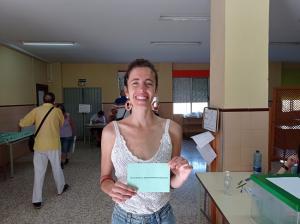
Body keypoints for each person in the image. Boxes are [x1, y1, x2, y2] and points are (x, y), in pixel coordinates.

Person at [100, 59, 193, 223]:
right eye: (135, 83)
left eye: (148, 83)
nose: (142, 89)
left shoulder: (173, 130)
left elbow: (169, 182)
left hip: (163, 217)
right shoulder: (111, 132)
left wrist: (181, 177)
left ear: (155, 89)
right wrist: (111, 188)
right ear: (126, 90)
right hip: (124, 218)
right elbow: (105, 178)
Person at [19, 92, 69, 209]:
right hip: (53, 145)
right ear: (54, 101)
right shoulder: (57, 111)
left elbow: (22, 123)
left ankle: (36, 200)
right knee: (56, 167)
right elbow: (61, 124)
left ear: (43, 100)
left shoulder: (36, 110)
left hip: (39, 146)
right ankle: (60, 189)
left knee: (39, 172)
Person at [57, 104, 75, 169]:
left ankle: (62, 162)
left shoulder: (67, 116)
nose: (59, 110)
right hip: (58, 136)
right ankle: (64, 160)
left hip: (67, 136)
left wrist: (73, 133)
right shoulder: (55, 116)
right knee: (60, 150)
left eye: (61, 109)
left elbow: (72, 124)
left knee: (65, 149)